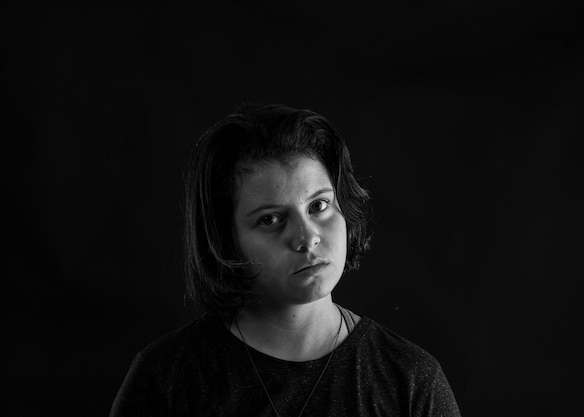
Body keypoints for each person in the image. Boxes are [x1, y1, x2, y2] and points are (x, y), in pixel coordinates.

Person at [109, 103, 462, 416]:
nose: (307, 237)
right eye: (270, 219)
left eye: (319, 206)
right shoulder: (169, 378)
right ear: (227, 240)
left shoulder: (410, 378)